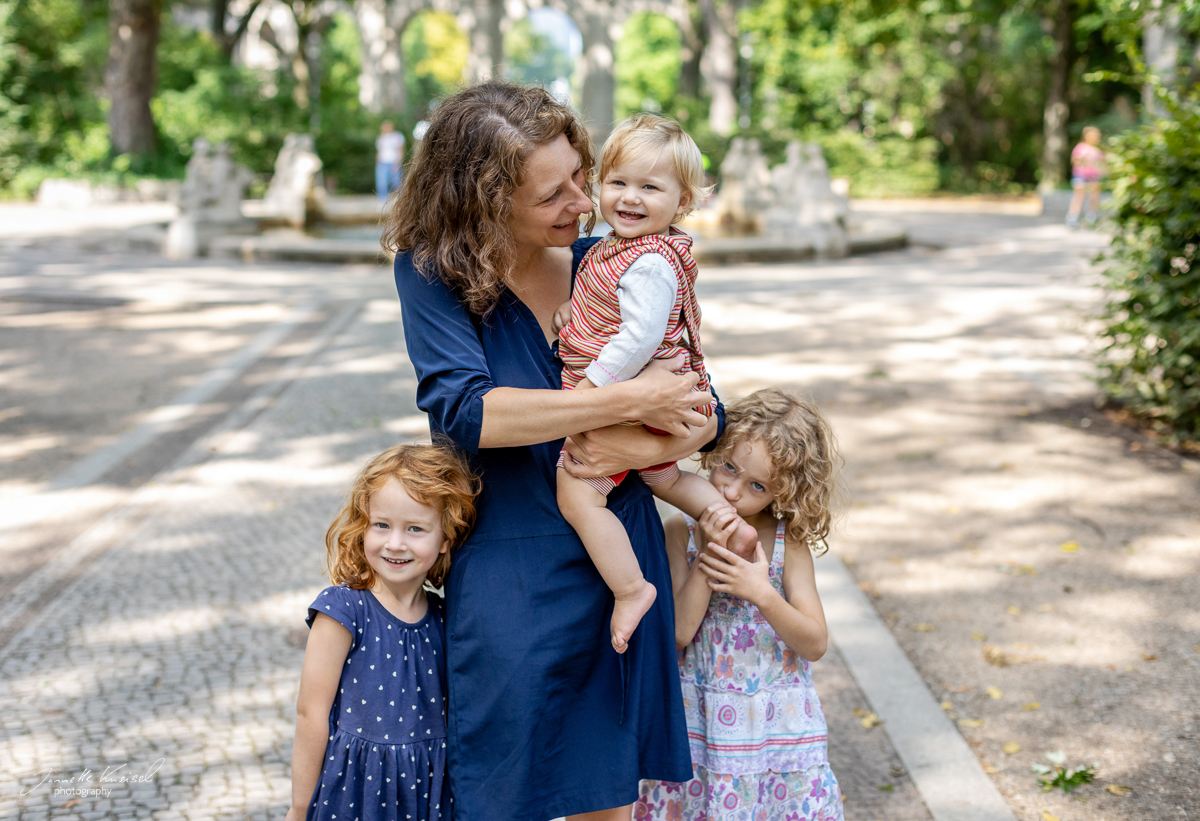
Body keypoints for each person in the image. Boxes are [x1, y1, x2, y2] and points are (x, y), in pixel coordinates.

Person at [383, 82, 723, 821]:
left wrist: (670, 427)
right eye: (552, 194)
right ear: (485, 202)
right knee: (502, 795)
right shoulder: (431, 272)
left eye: (581, 173)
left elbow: (702, 406)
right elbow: (469, 412)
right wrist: (629, 402)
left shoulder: (619, 258)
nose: (583, 200)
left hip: (620, 561)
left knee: (611, 802)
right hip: (511, 566)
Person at [553, 114, 757, 655]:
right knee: (663, 476)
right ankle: (722, 518)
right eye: (617, 182)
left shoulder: (649, 262)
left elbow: (640, 337)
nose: (630, 198)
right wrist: (572, 316)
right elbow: (611, 310)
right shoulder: (615, 247)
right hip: (644, 399)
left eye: (650, 187)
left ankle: (631, 587)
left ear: (683, 199)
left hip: (634, 395)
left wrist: (589, 391)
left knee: (577, 493)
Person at [638, 388, 845, 821]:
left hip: (775, 725)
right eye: (728, 468)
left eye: (756, 485)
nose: (731, 492)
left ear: (783, 491)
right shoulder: (681, 531)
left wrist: (763, 593)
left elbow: (815, 642)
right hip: (703, 722)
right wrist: (710, 555)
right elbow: (678, 633)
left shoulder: (789, 543)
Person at [284, 443, 479, 821]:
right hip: (355, 790)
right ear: (363, 525)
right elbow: (311, 713)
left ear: (444, 541)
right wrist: (299, 806)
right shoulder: (343, 610)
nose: (395, 543)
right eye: (382, 525)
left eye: (415, 529)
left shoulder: (444, 620)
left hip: (425, 793)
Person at [1066, 126, 1105, 229]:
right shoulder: (1080, 148)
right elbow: (1075, 161)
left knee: (1094, 197)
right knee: (1078, 197)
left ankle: (1091, 217)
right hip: (1081, 175)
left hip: (1094, 176)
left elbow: (1102, 164)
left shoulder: (1098, 150)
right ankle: (1072, 217)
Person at [376, 120, 406, 202]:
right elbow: (379, 151)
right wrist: (377, 163)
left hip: (394, 162)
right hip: (382, 162)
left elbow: (401, 150)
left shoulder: (397, 136)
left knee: (396, 182)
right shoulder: (381, 137)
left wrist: (399, 162)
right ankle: (382, 201)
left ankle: (400, 200)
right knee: (381, 183)